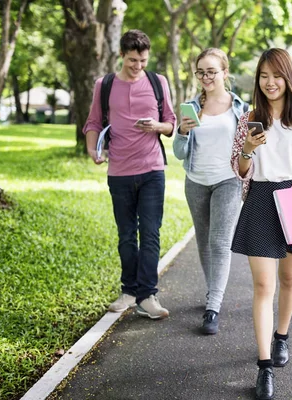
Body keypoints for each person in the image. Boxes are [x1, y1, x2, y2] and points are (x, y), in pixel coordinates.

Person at [230, 48, 292, 400]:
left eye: (277, 75)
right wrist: (246, 149)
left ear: (288, 78)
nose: (270, 82)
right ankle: (264, 367)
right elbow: (239, 170)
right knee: (263, 287)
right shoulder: (249, 118)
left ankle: (281, 336)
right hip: (259, 200)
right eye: (264, 76)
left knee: (289, 278)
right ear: (258, 79)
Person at [84, 29, 176, 320]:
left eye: (143, 61)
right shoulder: (105, 84)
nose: (138, 66)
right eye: (133, 60)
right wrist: (93, 150)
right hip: (120, 171)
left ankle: (147, 295)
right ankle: (129, 290)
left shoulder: (157, 82)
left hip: (151, 170)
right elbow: (93, 122)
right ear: (122, 55)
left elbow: (171, 123)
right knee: (126, 236)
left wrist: (156, 127)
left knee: (150, 233)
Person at [172, 48, 246, 335]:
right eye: (201, 71)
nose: (206, 77)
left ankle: (213, 306)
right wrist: (182, 132)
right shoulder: (190, 106)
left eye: (212, 71)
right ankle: (211, 291)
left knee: (219, 242)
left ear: (225, 73)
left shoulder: (240, 107)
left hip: (228, 180)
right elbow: (180, 153)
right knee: (202, 241)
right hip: (196, 181)